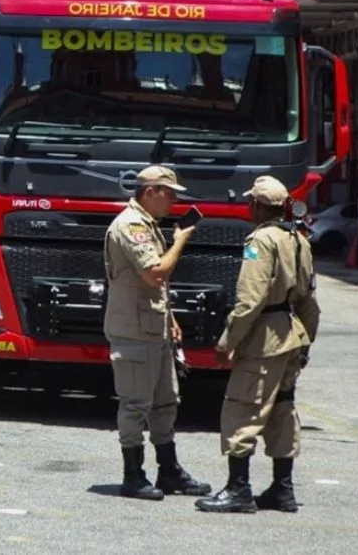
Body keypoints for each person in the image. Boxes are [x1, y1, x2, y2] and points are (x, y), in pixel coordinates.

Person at [196, 175, 321, 514]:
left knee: (243, 408)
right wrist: (305, 344)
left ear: (256, 206)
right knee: (282, 409)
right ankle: (283, 490)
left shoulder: (260, 240)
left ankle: (238, 490)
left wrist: (227, 341)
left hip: (263, 339)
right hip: (291, 335)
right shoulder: (298, 240)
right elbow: (309, 301)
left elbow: (250, 300)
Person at [104, 164, 211, 500]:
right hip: (134, 331)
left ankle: (169, 470)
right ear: (150, 191)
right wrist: (181, 241)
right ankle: (133, 475)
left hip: (154, 327)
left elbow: (153, 288)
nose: (174, 202)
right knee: (135, 404)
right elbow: (155, 273)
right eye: (170, 194)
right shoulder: (131, 225)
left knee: (165, 402)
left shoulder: (148, 224)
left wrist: (171, 318)